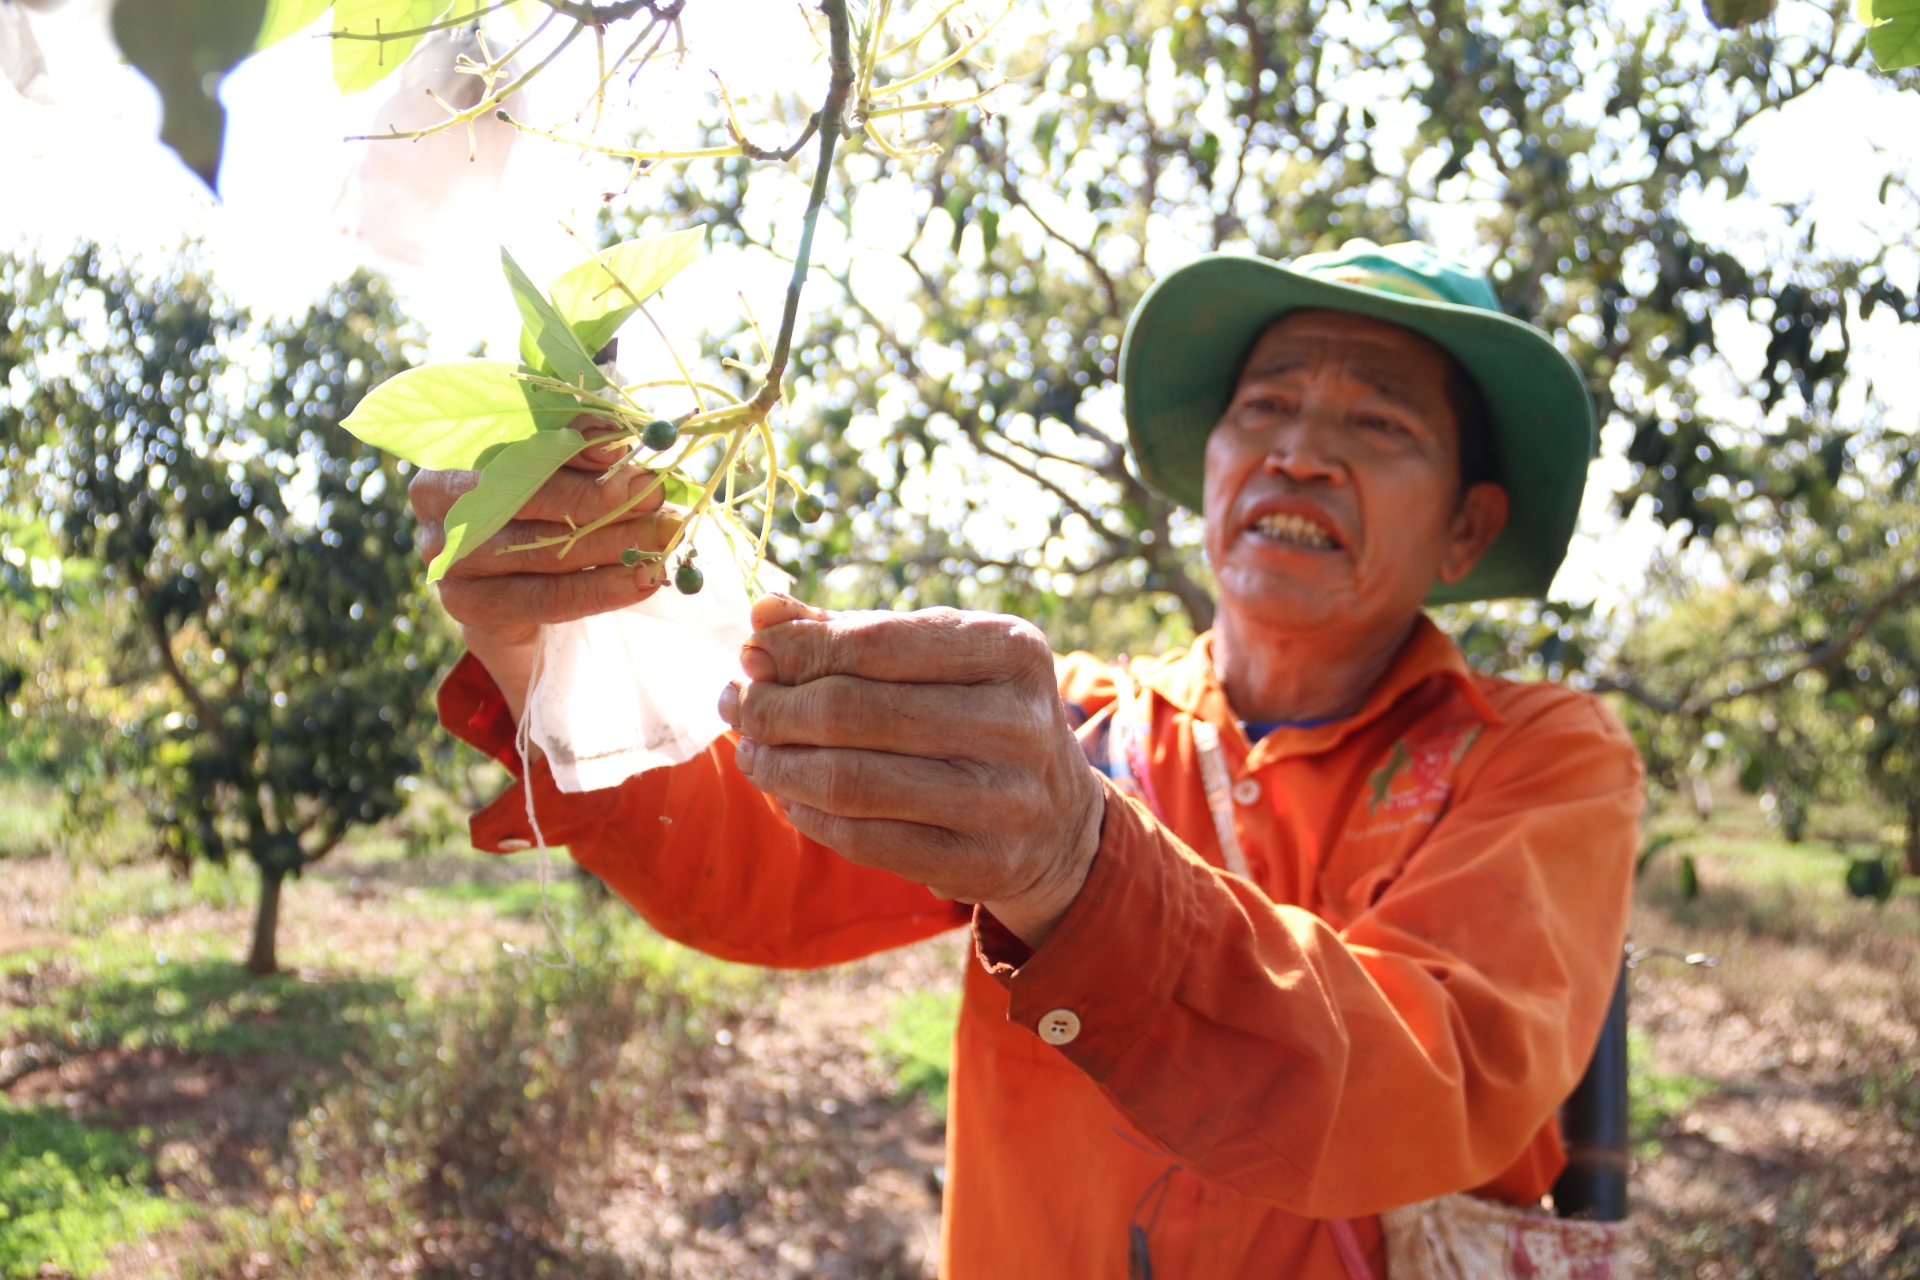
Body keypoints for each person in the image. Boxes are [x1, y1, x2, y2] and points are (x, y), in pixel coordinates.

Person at [409, 239, 1642, 1279]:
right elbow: (746, 859)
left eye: (1376, 421)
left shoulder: (1540, 759)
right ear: (1209, 469)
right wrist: (544, 647)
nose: (1300, 452)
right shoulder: (1083, 723)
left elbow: (1436, 1077)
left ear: (1467, 524)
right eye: (1262, 407)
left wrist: (1078, 861)